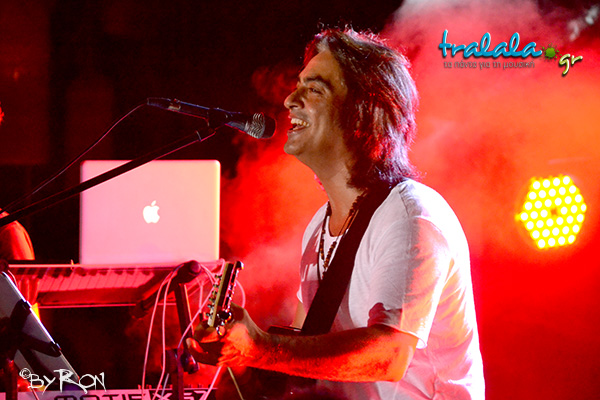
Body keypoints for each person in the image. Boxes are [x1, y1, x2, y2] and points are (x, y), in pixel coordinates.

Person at [188, 28, 485, 399]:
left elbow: (390, 355)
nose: (290, 100)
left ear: (363, 115)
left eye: (314, 89)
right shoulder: (318, 227)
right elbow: (302, 365)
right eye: (297, 85)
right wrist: (239, 360)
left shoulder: (411, 216)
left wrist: (260, 348)